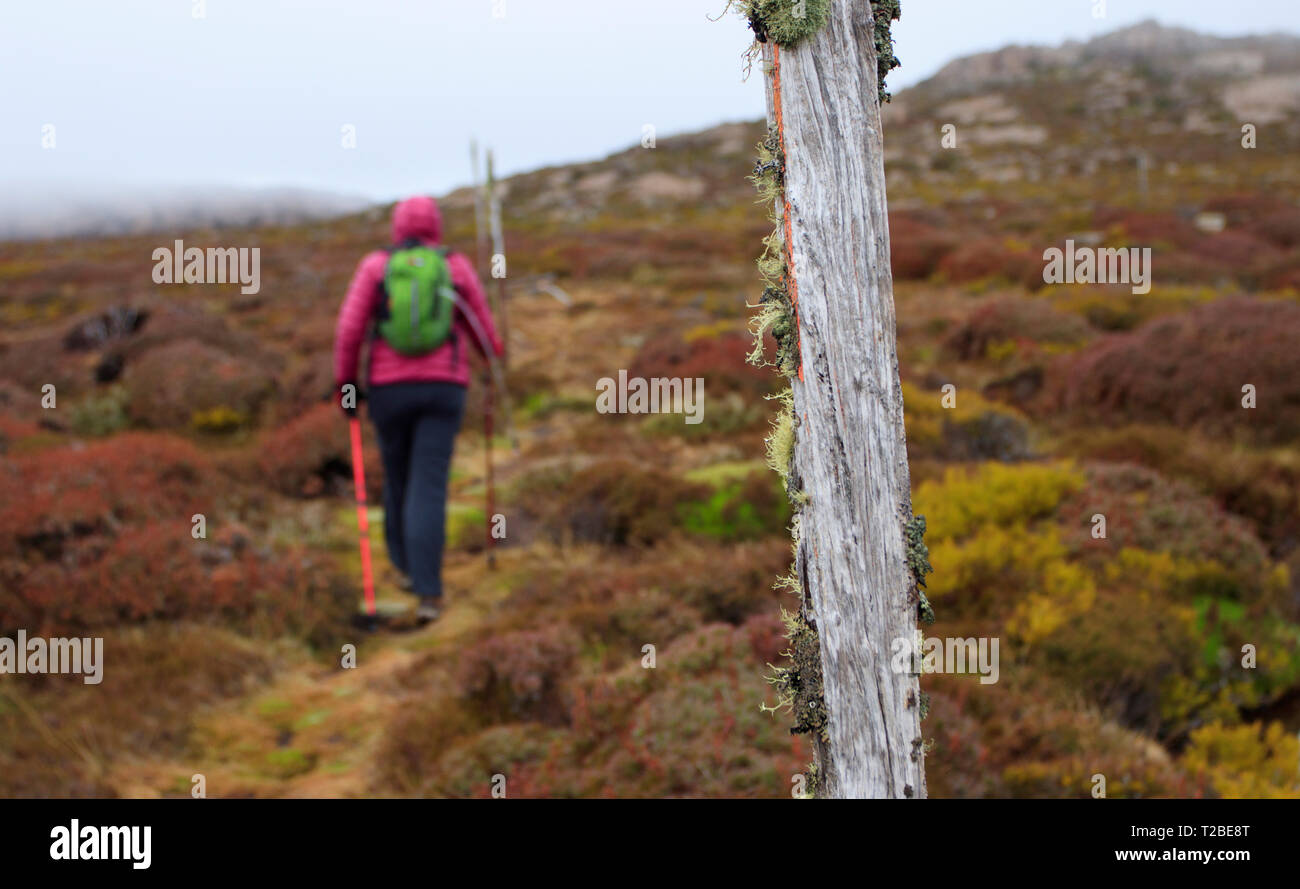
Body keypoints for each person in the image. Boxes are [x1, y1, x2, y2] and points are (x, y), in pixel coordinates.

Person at [333, 195, 503, 624]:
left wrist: (347, 390)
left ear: (397, 226)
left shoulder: (375, 267)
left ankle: (406, 569)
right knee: (429, 484)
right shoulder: (454, 266)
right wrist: (494, 362)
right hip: (444, 389)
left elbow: (350, 331)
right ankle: (429, 592)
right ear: (436, 225)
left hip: (390, 391)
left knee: (398, 478)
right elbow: (482, 327)